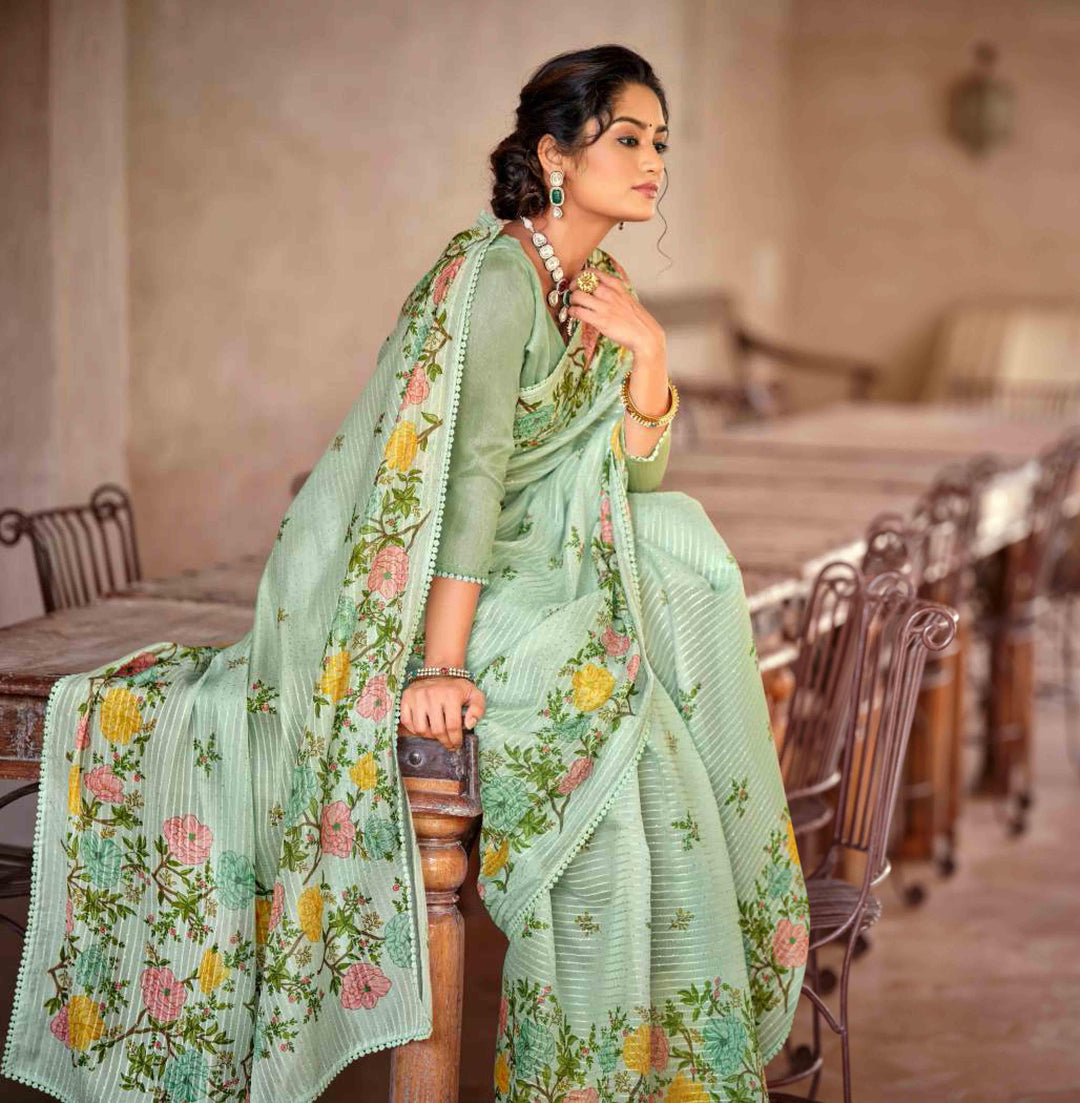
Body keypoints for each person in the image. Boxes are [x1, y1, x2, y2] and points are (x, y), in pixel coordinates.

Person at [2, 43, 806, 1103]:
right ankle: (596, 1055)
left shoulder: (598, 284)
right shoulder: (499, 281)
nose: (653, 160)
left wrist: (651, 355)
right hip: (418, 585)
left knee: (680, 560)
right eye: (627, 138)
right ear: (554, 154)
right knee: (612, 708)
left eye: (661, 142)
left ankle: (645, 1044)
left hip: (527, 572)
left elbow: (630, 474)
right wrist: (436, 665)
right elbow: (465, 484)